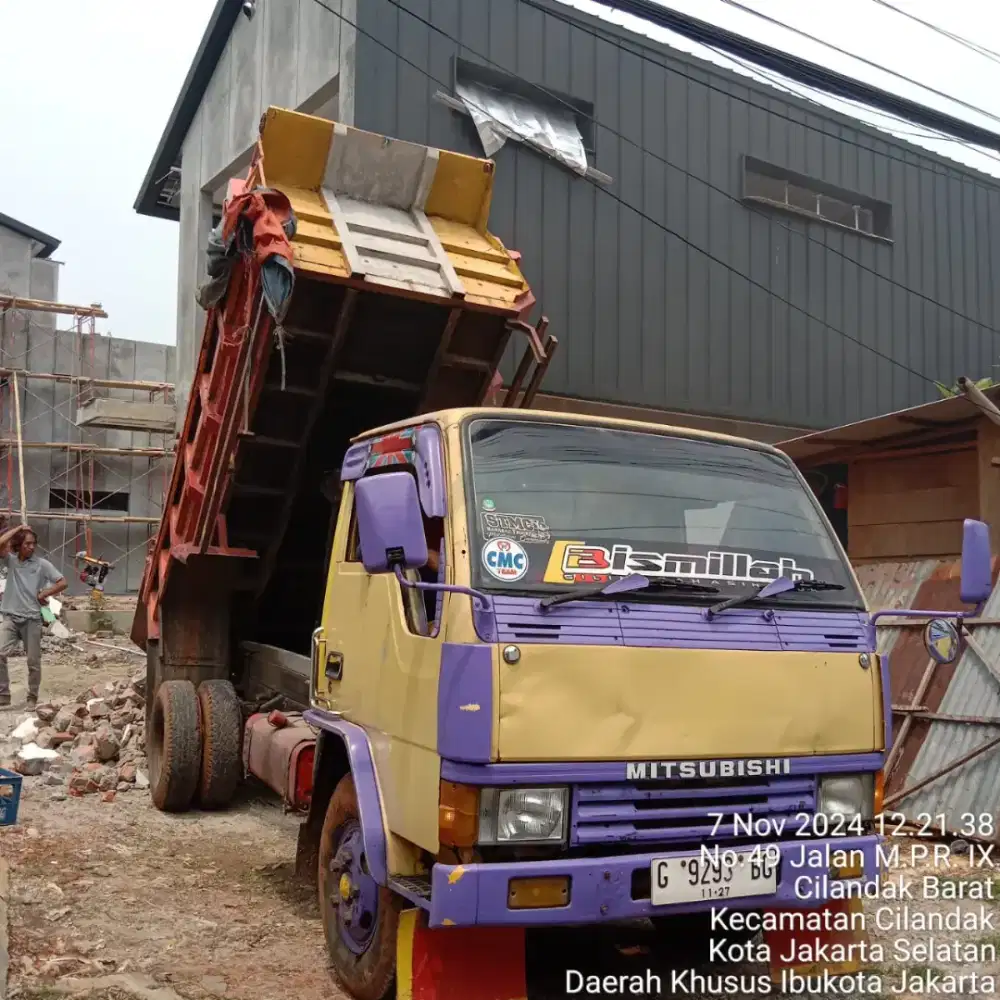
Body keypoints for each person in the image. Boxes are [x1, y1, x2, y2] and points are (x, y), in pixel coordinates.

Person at [0, 524, 67, 709]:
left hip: (32, 619)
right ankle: (3, 695)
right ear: (18, 545)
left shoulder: (41, 565)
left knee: (33, 662)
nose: (31, 547)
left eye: (33, 544)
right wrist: (18, 528)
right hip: (11, 618)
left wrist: (46, 592)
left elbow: (62, 582)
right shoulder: (11, 561)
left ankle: (32, 696)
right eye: (27, 543)